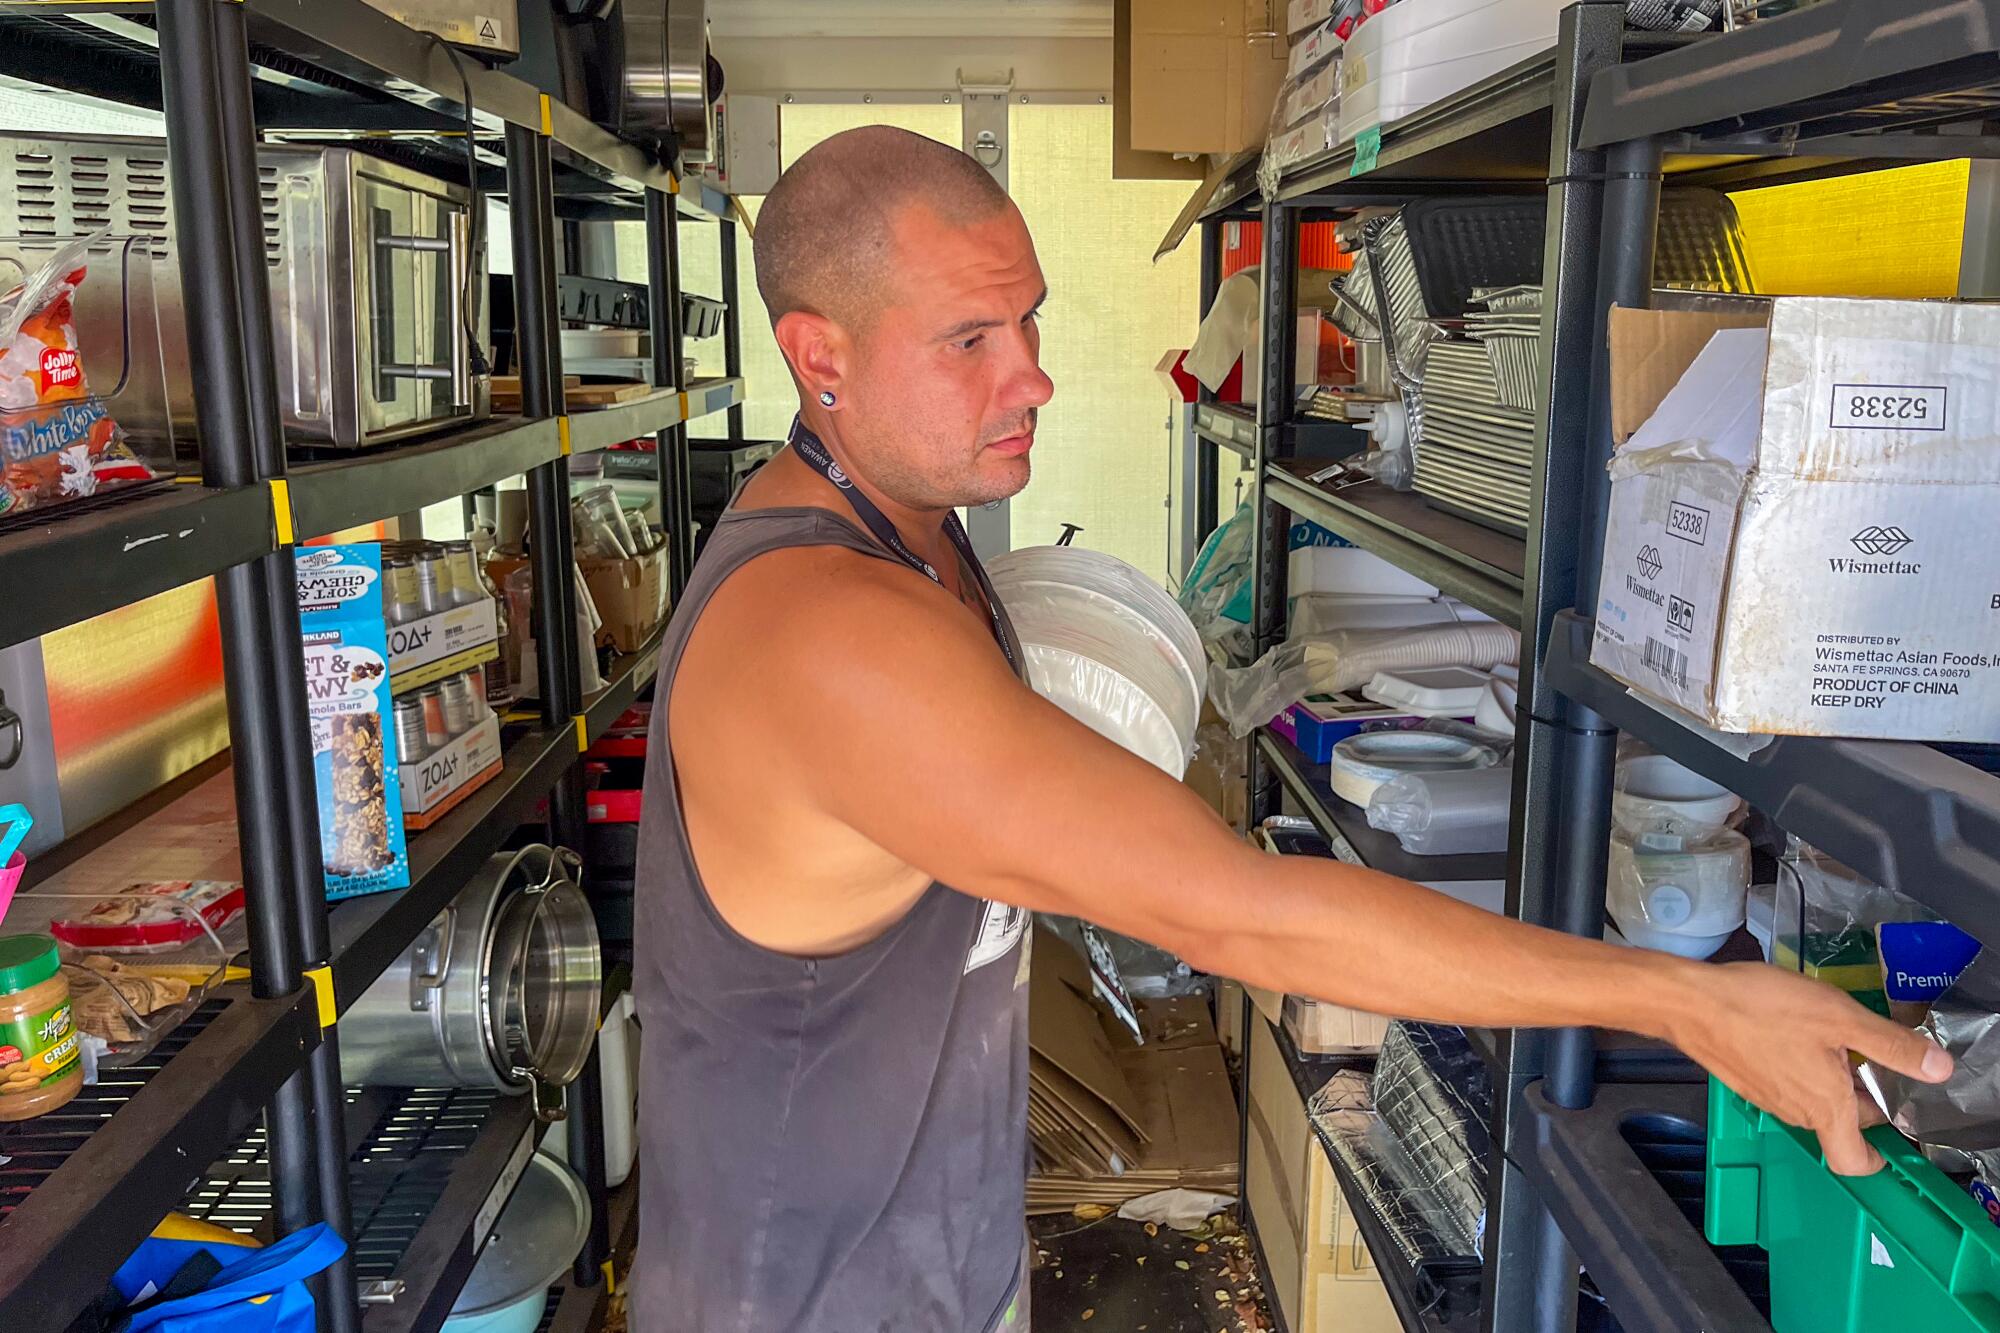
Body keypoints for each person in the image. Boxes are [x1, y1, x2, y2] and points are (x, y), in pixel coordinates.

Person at [630, 126, 1951, 1333]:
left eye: (1028, 319)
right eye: (968, 340)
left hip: (922, 1274)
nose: (1032, 374)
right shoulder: (826, 631)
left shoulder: (907, 538)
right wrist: (1694, 1001)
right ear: (821, 358)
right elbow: (1235, 915)